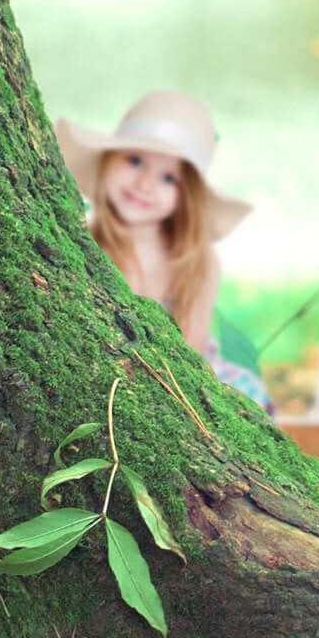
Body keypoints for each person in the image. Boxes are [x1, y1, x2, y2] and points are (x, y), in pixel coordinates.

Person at [56, 90, 274, 411]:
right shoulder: (85, 242)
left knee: (245, 400)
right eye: (135, 161)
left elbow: (193, 348)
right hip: (111, 373)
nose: (144, 184)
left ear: (188, 196)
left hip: (182, 373)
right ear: (107, 161)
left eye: (169, 178)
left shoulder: (198, 260)